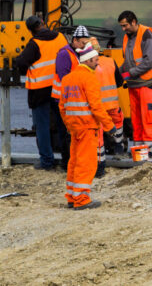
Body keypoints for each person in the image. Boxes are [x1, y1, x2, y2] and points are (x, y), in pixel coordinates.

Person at [58, 45, 114, 210]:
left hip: (75, 128)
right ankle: (82, 199)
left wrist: (69, 125)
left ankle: (71, 196)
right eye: (95, 60)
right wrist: (110, 126)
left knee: (74, 162)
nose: (97, 64)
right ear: (88, 60)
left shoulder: (68, 79)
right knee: (86, 164)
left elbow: (62, 107)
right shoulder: (89, 78)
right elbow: (96, 107)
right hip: (88, 128)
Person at [15, 15, 68, 170]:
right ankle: (67, 161)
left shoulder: (35, 43)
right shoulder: (60, 37)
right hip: (59, 87)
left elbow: (21, 62)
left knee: (42, 126)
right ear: (44, 23)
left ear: (31, 31)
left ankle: (47, 162)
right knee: (63, 125)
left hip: (40, 91)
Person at [118, 11, 152, 156]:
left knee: (147, 117)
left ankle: (150, 148)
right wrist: (118, 73)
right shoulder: (127, 37)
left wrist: (130, 73)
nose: (123, 29)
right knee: (136, 118)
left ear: (134, 22)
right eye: (122, 26)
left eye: (125, 25)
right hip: (134, 84)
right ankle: (139, 150)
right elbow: (128, 61)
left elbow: (148, 61)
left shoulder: (146, 35)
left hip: (148, 83)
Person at [51, 25, 92, 170]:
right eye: (82, 43)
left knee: (72, 133)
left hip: (72, 100)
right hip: (62, 100)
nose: (84, 46)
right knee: (65, 132)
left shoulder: (76, 53)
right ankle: (66, 163)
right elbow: (65, 79)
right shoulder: (65, 55)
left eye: (86, 43)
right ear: (74, 40)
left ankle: (72, 162)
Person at [90, 37, 126, 160]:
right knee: (117, 124)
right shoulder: (110, 61)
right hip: (113, 105)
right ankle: (118, 148)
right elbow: (120, 82)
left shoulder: (87, 65)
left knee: (98, 132)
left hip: (98, 107)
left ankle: (100, 160)